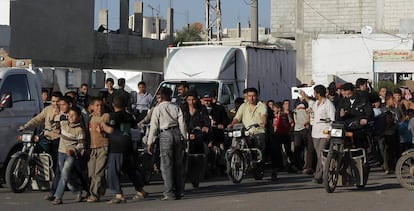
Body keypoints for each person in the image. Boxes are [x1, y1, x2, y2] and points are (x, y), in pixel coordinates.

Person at [20, 91, 63, 201]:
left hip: (59, 141)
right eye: (53, 101)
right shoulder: (47, 110)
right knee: (36, 149)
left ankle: (57, 189)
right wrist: (26, 126)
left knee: (58, 166)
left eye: (57, 101)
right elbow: (38, 119)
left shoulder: (64, 112)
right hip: (46, 138)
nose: (55, 104)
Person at [106, 95, 148, 204]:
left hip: (117, 146)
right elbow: (135, 127)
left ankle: (118, 194)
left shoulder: (114, 116)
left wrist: (102, 126)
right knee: (130, 169)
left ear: (113, 105)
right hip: (128, 144)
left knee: (113, 170)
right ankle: (140, 190)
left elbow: (110, 129)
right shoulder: (130, 116)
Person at [147, 87, 187, 200]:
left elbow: (154, 127)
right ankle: (179, 191)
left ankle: (169, 192)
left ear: (161, 97)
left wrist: (150, 142)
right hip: (176, 133)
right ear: (170, 96)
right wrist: (184, 138)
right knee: (178, 164)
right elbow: (182, 124)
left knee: (166, 165)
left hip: (164, 134)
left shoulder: (158, 109)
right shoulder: (176, 107)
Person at [300, 85, 335, 184]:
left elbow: (332, 119)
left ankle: (319, 175)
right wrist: (304, 96)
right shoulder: (316, 103)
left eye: (315, 93)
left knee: (321, 154)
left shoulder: (328, 104)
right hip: (315, 132)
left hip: (325, 131)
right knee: (318, 154)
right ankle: (322, 174)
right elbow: (310, 103)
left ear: (318, 93)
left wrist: (330, 132)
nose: (314, 94)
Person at [228, 87, 267, 177]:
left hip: (258, 131)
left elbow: (264, 115)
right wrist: (232, 124)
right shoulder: (243, 106)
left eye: (253, 96)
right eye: (249, 96)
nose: (251, 98)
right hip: (246, 132)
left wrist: (263, 122)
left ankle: (259, 165)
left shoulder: (261, 105)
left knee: (259, 144)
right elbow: (237, 118)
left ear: (257, 96)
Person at [52, 107, 85, 205]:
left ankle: (58, 197)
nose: (70, 117)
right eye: (69, 115)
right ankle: (77, 191)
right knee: (65, 175)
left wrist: (74, 150)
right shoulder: (64, 124)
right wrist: (56, 117)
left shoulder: (79, 130)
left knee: (65, 174)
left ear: (78, 117)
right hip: (60, 152)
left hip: (71, 155)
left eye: (73, 115)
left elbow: (81, 144)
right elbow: (55, 125)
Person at [87, 97, 111, 203]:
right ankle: (102, 188)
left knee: (98, 172)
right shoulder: (90, 118)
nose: (99, 108)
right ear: (92, 107)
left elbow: (109, 129)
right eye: (97, 106)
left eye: (101, 105)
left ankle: (94, 194)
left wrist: (103, 129)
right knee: (92, 172)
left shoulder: (105, 116)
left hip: (103, 147)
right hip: (93, 148)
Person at [336, 83, 374, 149]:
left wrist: (366, 119)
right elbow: (337, 116)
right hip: (345, 127)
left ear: (353, 91)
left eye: (349, 94)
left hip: (359, 127)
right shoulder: (343, 101)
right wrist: (341, 115)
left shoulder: (363, 100)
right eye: (345, 94)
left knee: (360, 138)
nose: (347, 96)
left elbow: (369, 113)